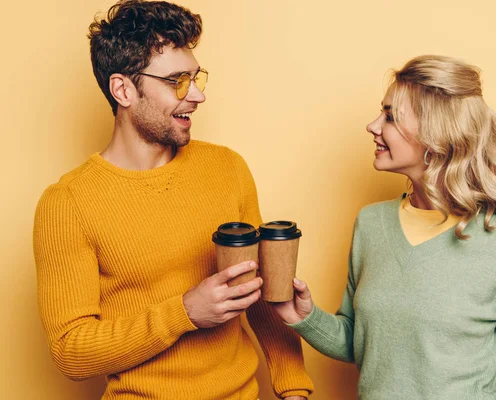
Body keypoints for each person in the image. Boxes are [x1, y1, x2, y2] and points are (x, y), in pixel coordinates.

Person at [33, 1, 313, 399]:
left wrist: (294, 389)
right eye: (176, 81)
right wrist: (184, 313)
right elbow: (70, 352)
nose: (196, 95)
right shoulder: (68, 203)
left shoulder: (227, 167)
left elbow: (262, 293)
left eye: (196, 78)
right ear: (123, 89)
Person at [271, 55, 496, 399]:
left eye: (390, 116)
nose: (373, 125)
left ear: (438, 132)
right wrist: (301, 315)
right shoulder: (371, 224)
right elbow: (362, 342)